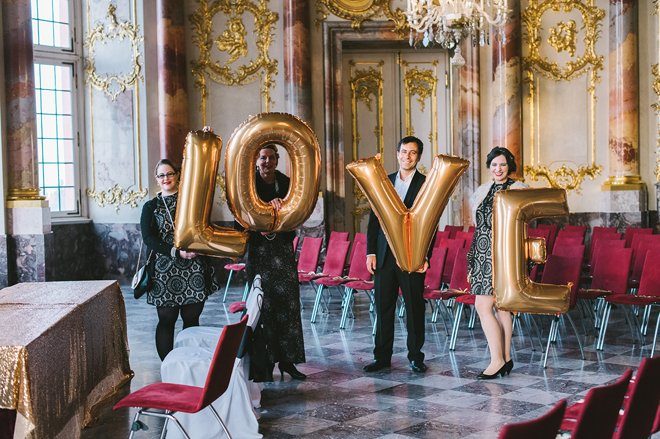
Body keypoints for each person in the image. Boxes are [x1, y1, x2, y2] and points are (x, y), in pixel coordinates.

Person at [140, 159, 218, 361]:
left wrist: (198, 248)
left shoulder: (190, 202)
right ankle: (169, 364)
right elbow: (148, 238)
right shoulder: (151, 206)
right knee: (166, 319)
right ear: (157, 180)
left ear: (177, 175)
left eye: (170, 174)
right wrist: (176, 252)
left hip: (193, 267)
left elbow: (205, 227)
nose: (166, 178)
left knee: (192, 319)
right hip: (165, 269)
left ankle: (189, 362)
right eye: (162, 175)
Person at [364, 136, 430, 374]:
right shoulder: (385, 182)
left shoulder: (426, 183)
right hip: (383, 255)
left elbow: (429, 223)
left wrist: (426, 256)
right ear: (397, 153)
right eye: (404, 151)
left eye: (413, 153)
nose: (407, 156)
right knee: (383, 308)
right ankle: (381, 357)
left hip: (412, 255)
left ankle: (415, 357)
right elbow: (374, 219)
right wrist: (370, 251)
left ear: (418, 157)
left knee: (414, 308)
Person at [244, 144, 306, 381]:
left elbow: (294, 217)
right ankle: (265, 362)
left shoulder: (287, 183)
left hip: (282, 251)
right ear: (256, 161)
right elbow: (242, 217)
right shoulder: (247, 185)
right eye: (262, 158)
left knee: (288, 307)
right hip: (259, 253)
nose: (267, 162)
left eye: (271, 157)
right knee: (263, 308)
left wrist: (280, 215)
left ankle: (288, 361)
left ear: (277, 160)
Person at [467, 146, 527, 379]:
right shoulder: (483, 190)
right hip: (482, 251)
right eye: (494, 165)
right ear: (489, 167)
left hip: (503, 253)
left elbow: (522, 224)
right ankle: (506, 358)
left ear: (509, 166)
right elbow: (477, 228)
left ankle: (496, 360)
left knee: (486, 306)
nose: (498, 169)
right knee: (500, 308)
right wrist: (472, 260)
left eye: (502, 164)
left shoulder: (519, 189)